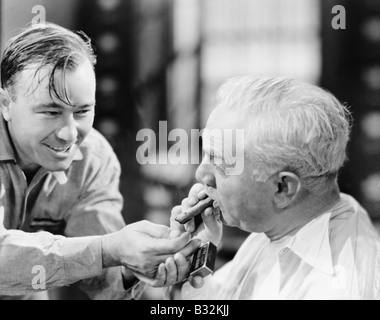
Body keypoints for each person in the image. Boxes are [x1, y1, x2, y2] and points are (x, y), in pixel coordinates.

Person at [0, 22, 199, 300]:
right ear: (5, 104)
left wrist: (137, 266)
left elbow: (107, 280)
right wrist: (108, 249)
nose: (70, 133)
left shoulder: (92, 158)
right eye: (50, 112)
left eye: (82, 111)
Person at [168, 76, 380, 300]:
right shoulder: (279, 226)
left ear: (282, 188)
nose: (201, 174)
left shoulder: (337, 289)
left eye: (219, 162)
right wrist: (196, 260)